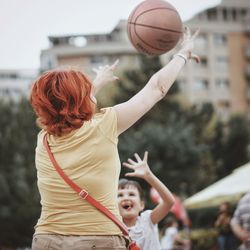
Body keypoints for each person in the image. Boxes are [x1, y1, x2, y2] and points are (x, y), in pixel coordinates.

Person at [29, 27, 199, 250]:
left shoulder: (43, 142)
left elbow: (67, 108)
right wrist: (183, 53)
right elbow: (157, 88)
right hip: (96, 240)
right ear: (82, 99)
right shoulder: (104, 125)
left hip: (46, 240)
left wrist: (97, 83)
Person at [117, 151, 175, 250]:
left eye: (131, 194)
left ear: (142, 205)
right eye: (120, 195)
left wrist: (148, 175)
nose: (126, 198)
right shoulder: (113, 229)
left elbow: (169, 202)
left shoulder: (147, 220)